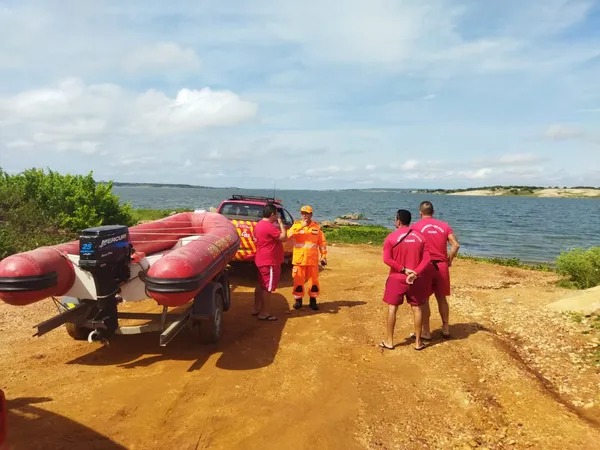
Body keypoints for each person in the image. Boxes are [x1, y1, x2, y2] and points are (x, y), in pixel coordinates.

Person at [381, 209, 431, 351]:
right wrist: (415, 272)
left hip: (397, 277)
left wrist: (403, 269)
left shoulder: (391, 237)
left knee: (392, 308)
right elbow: (427, 259)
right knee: (417, 308)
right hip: (416, 278)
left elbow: (387, 259)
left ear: (398, 221)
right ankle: (417, 342)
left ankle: (389, 341)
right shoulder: (421, 237)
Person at [413, 200, 460, 339]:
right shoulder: (444, 226)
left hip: (425, 266)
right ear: (433, 212)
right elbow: (455, 245)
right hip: (441, 265)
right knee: (441, 298)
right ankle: (445, 327)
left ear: (420, 213)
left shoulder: (416, 227)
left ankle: (426, 331)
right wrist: (449, 259)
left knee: (425, 299)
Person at [287, 205, 327, 311]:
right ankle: (298, 301)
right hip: (299, 260)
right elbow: (288, 235)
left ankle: (313, 301)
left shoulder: (316, 227)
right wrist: (301, 226)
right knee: (298, 282)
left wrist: (324, 256)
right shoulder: (296, 225)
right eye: (303, 213)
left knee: (313, 282)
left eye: (307, 213)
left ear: (311, 214)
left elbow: (322, 243)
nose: (304, 215)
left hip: (312, 260)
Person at [252, 203, 287, 321]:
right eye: (276, 214)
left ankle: (256, 308)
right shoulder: (269, 226)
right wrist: (281, 223)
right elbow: (283, 237)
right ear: (272, 214)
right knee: (267, 288)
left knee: (260, 284)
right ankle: (264, 313)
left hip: (261, 259)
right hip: (269, 261)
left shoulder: (259, 224)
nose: (277, 216)